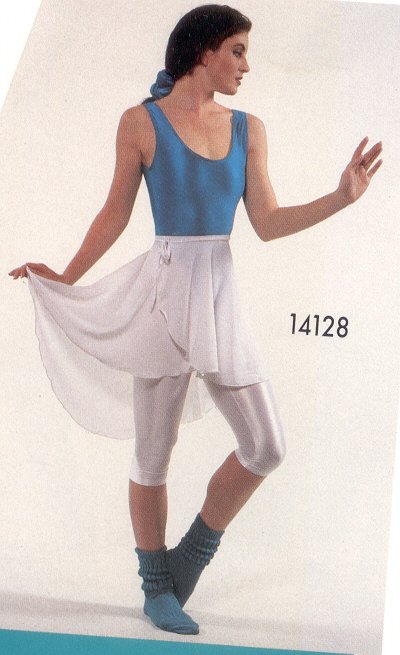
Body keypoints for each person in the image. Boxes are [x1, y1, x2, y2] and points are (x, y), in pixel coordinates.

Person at [9, 4, 382, 638]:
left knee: (266, 445)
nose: (246, 65)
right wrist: (65, 278)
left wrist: (340, 199)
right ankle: (155, 585)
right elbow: (115, 213)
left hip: (219, 294)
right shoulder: (140, 122)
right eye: (238, 50)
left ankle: (187, 558)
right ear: (204, 51)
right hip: (162, 294)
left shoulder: (249, 129)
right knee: (153, 453)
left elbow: (267, 223)